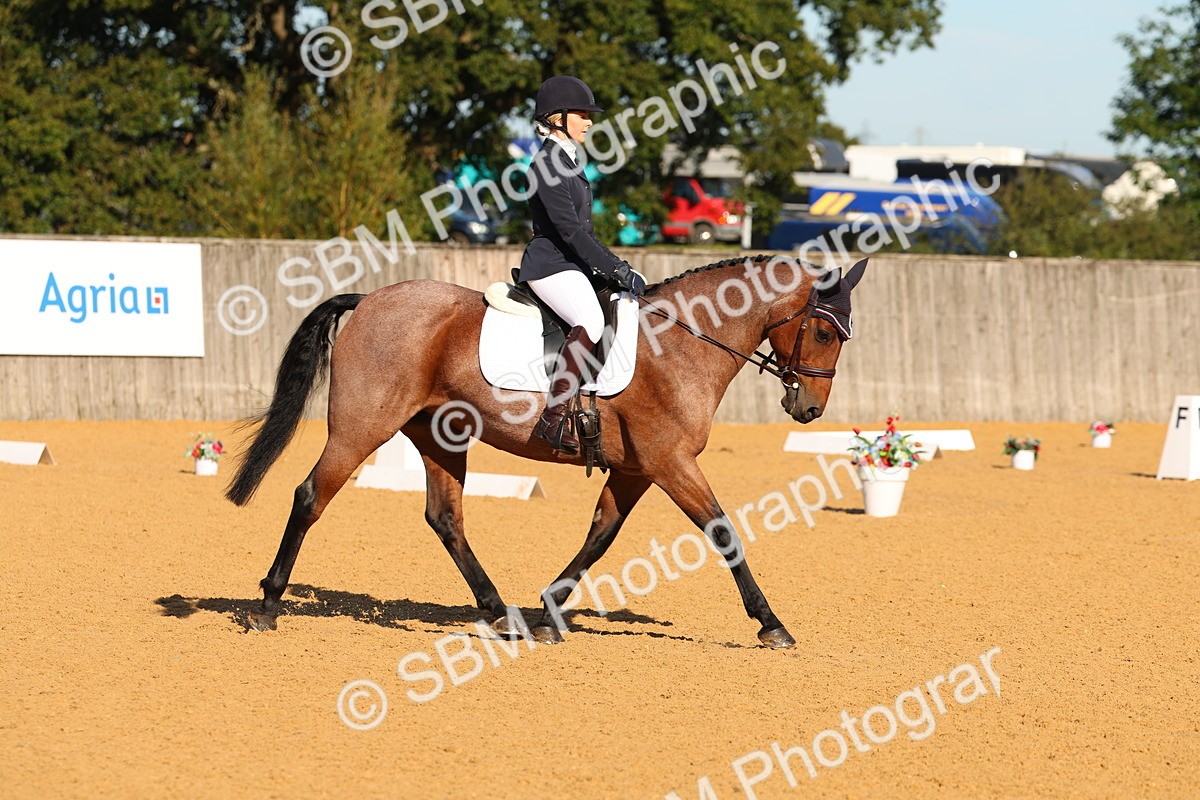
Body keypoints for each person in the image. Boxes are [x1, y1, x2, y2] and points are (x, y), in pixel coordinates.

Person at [518, 76, 645, 455]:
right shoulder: (547, 164)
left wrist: (614, 269)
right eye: (582, 114)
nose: (590, 121)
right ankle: (552, 419)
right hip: (549, 264)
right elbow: (572, 232)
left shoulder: (568, 159)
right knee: (589, 319)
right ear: (556, 117)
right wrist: (616, 267)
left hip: (571, 264)